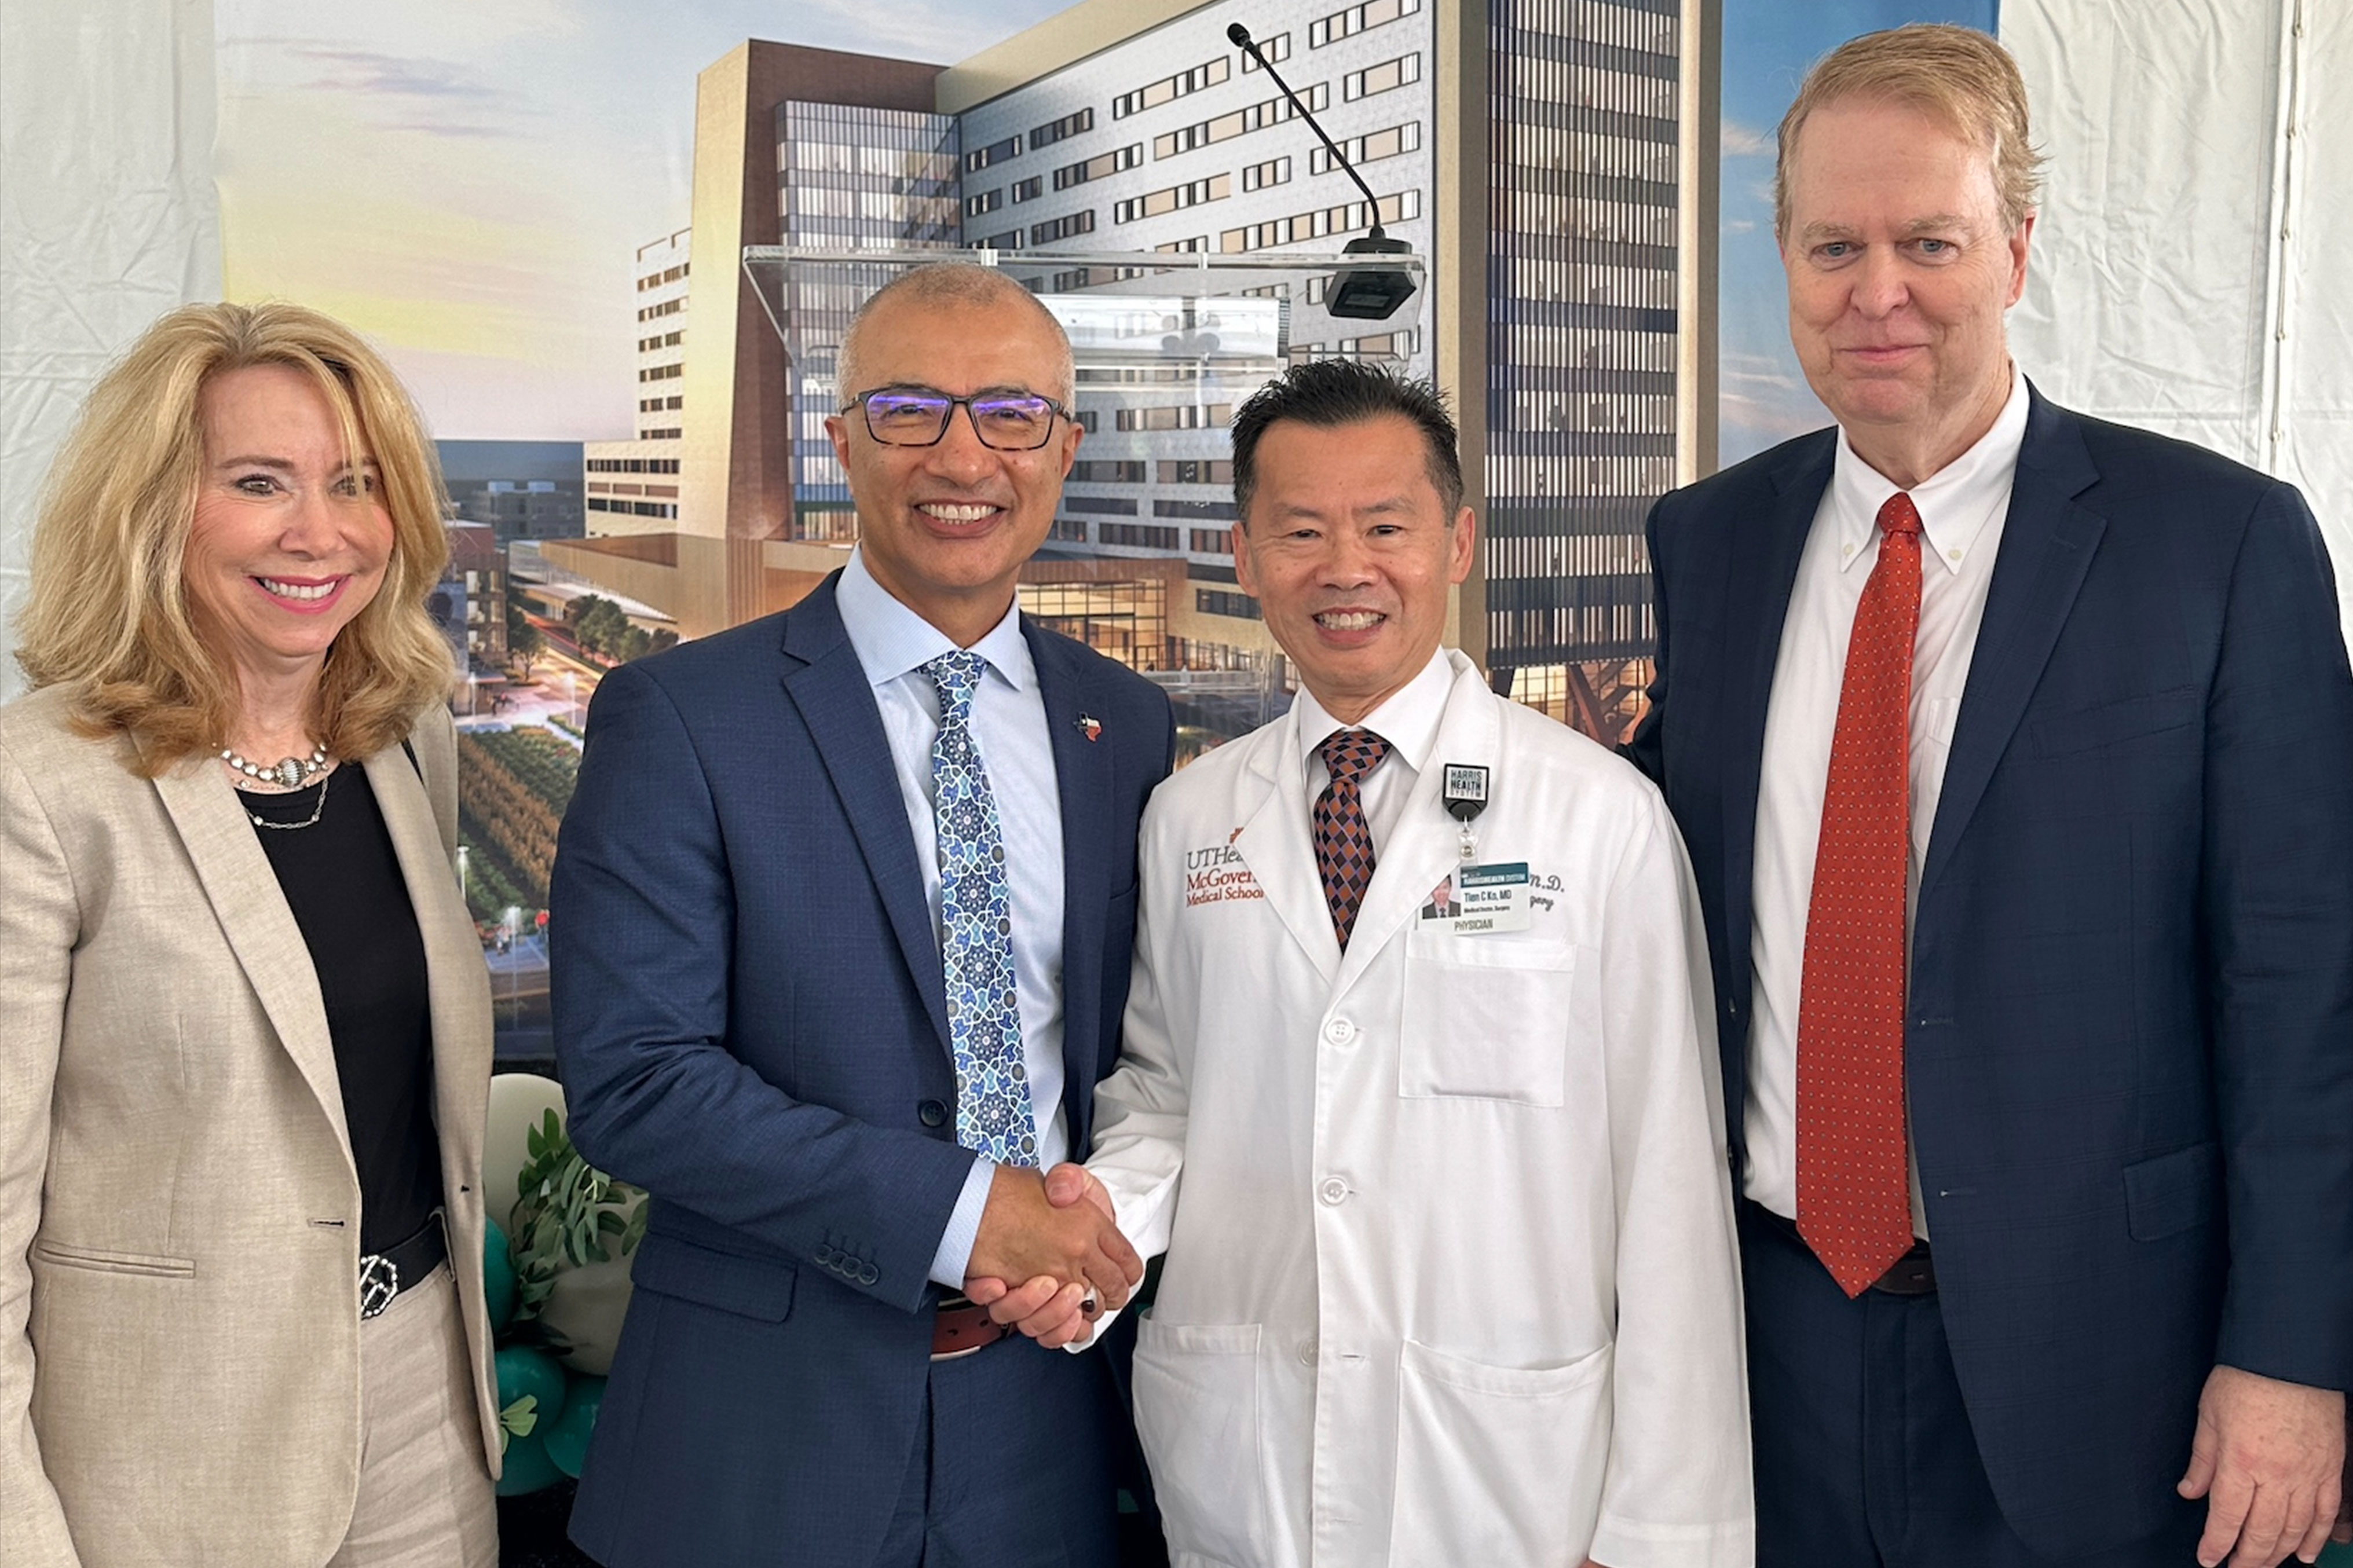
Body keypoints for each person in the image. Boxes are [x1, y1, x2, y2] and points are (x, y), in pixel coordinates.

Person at [1623, 24, 2353, 1568]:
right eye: (1834, 244)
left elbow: (2305, 988)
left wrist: (2294, 1356)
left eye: (1929, 240)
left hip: (2109, 1367)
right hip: (1760, 1348)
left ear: (2016, 249)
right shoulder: (1710, 544)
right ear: (1785, 257)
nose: (1875, 291)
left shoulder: (2219, 545)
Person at [977, 361, 1752, 1567]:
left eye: (1385, 527)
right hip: (1248, 1454)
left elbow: (1670, 1186)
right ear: (1243, 556)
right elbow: (1166, 1096)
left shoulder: (1598, 820)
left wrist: (1660, 1528)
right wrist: (1093, 1239)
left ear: (1455, 543)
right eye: (1299, 532)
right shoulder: (1190, 819)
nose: (1345, 569)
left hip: (1516, 1478)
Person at [550, 262, 1173, 1567]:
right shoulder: (681, 716)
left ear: (1064, 449)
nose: (963, 453)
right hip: (765, 1434)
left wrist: (1075, 1231)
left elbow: (1127, 1052)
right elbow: (636, 1082)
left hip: (1045, 1422)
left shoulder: (1125, 725)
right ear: (841, 443)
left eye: (1010, 413)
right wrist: (961, 1209)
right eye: (909, 409)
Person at [0, 302, 502, 1567]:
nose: (319, 531)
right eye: (259, 482)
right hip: (164, 1468)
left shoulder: (403, 740)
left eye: (355, 483)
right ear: (155, 509)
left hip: (422, 1410)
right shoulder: (40, 789)